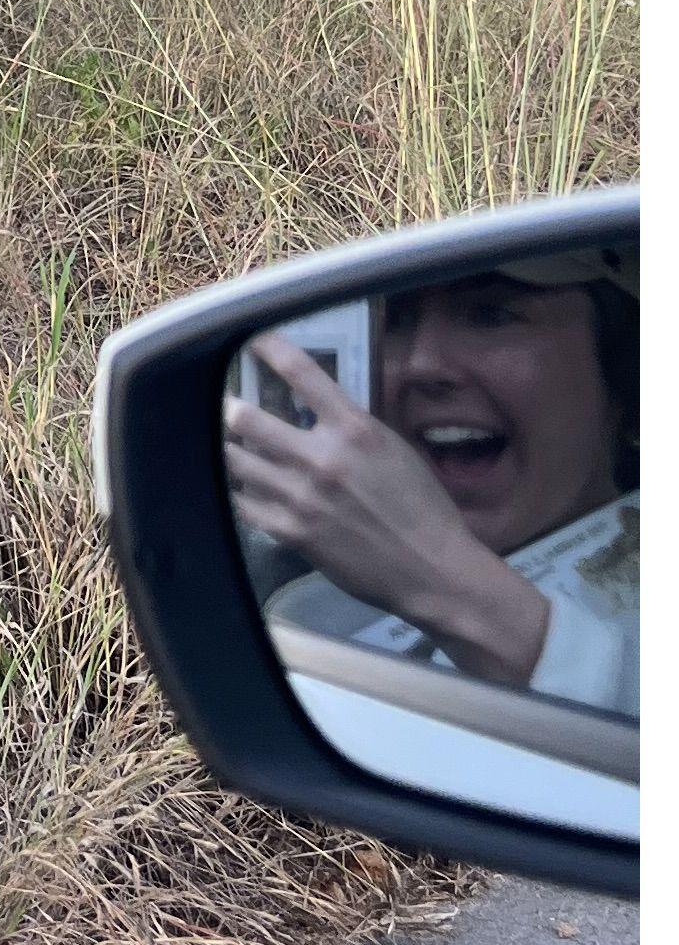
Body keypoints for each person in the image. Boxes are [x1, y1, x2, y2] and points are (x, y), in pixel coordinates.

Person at [226, 249, 637, 720]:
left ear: (627, 373)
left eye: (489, 315)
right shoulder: (305, 611)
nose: (422, 364)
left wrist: (446, 583)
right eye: (394, 321)